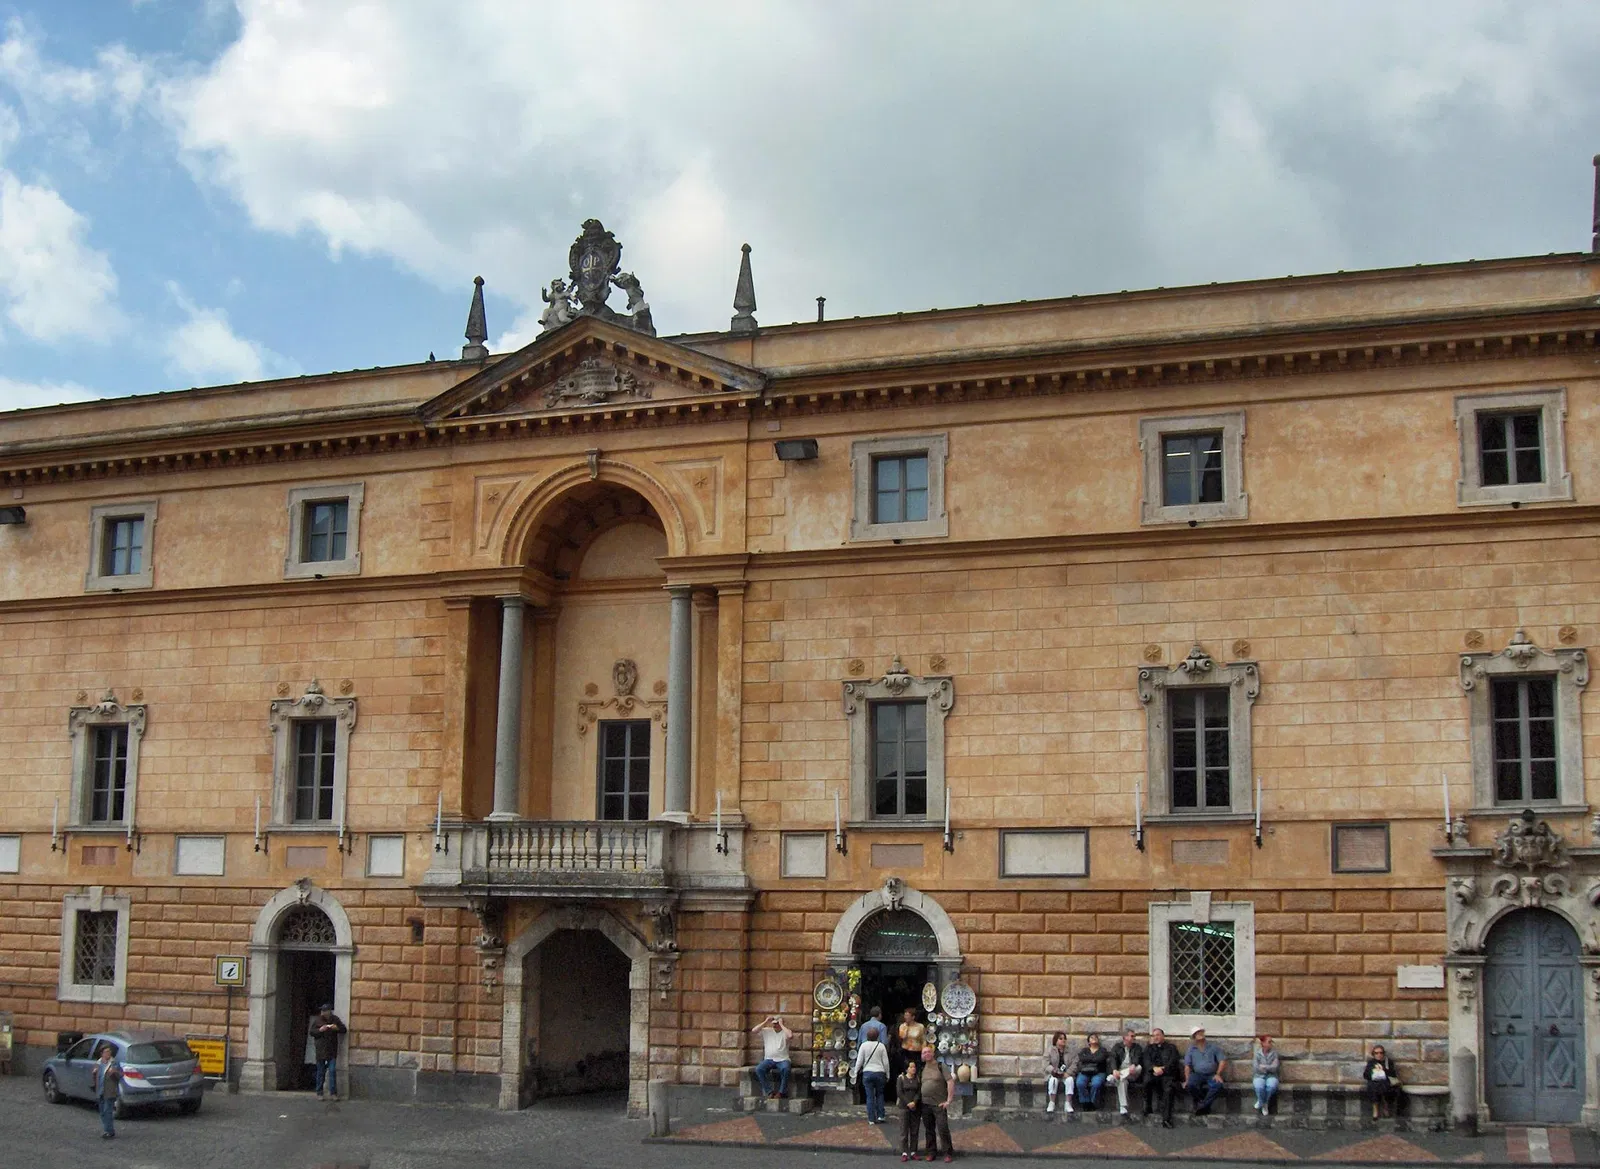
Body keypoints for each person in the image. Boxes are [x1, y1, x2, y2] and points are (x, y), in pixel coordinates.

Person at [918, 1045, 954, 1163]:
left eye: (929, 1052)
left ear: (933, 1054)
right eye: (924, 1053)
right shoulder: (922, 1068)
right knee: (929, 1130)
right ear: (922, 1056)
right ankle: (931, 1152)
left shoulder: (940, 1066)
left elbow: (950, 1081)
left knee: (943, 1128)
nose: (926, 1054)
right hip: (925, 1104)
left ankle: (948, 1153)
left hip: (939, 1104)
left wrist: (948, 1100)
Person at [852, 1019, 892, 1124]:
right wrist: (888, 1074)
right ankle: (881, 1115)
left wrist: (855, 1072)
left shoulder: (863, 1046)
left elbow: (859, 1061)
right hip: (880, 1072)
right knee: (880, 1094)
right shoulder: (881, 1046)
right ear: (878, 1036)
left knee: (869, 1096)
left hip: (867, 1073)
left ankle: (871, 1119)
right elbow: (886, 1062)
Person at [1142, 1027, 1181, 1127]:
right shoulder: (1149, 1048)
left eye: (1158, 1035)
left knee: (1168, 1090)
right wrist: (1153, 1068)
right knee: (1146, 1082)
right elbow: (1146, 1061)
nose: (1156, 1037)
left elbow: (1173, 1062)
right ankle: (1148, 1107)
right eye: (1154, 1035)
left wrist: (1163, 1069)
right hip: (1154, 1074)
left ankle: (1166, 1119)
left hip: (1167, 1075)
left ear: (1163, 1036)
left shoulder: (1171, 1048)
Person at [1183, 1027, 1227, 1116]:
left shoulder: (1213, 1047)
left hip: (1211, 1074)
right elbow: (1187, 1065)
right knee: (1190, 1085)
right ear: (1194, 1037)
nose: (1200, 1034)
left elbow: (1222, 1061)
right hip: (1197, 1074)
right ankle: (1204, 1104)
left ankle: (1202, 1105)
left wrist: (1218, 1074)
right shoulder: (1191, 1049)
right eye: (1197, 1033)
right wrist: (1187, 1079)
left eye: (1201, 1032)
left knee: (1217, 1085)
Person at [310, 1003, 347, 1101]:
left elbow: (344, 1030)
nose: (322, 1012)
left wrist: (337, 1028)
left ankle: (333, 1093)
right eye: (322, 1010)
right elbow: (312, 1032)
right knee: (320, 1072)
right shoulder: (317, 1020)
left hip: (331, 1050)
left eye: (324, 1010)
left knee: (332, 1071)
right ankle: (319, 1092)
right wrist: (320, 1030)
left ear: (329, 1011)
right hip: (320, 1050)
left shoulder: (335, 1019)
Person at [752, 1015, 793, 1099]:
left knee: (786, 1068)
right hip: (769, 1059)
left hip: (782, 1059)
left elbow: (790, 1036)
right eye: (774, 1023)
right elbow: (754, 1030)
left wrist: (781, 1025)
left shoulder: (785, 1032)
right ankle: (769, 1091)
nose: (775, 1025)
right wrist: (766, 1021)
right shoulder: (767, 1031)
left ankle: (781, 1092)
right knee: (759, 1069)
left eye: (777, 1023)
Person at [1107, 1027, 1145, 1118]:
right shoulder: (1117, 1047)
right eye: (1131, 1036)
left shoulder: (1137, 1047)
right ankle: (1123, 1107)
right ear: (1125, 1037)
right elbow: (1113, 1058)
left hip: (1132, 1072)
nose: (1133, 1038)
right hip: (1121, 1071)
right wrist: (1114, 1070)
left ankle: (1114, 1078)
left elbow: (1138, 1058)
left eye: (1134, 1036)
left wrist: (1134, 1064)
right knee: (1122, 1081)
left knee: (1139, 1068)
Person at [92, 1042, 122, 1140]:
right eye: (106, 1052)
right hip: (100, 1090)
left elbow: (120, 1075)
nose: (108, 1054)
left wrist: (114, 1072)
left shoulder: (114, 1063)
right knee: (102, 1112)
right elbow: (95, 1077)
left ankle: (108, 1131)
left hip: (110, 1091)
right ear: (102, 1053)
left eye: (109, 1052)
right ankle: (109, 1129)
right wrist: (94, 1073)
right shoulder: (98, 1063)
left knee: (107, 1110)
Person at [1362, 1044, 1401, 1119]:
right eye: (1376, 1053)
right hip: (1374, 1082)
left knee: (1384, 1086)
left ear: (1383, 1053)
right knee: (1373, 1086)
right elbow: (1366, 1075)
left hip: (1386, 1082)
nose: (1379, 1055)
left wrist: (1384, 1070)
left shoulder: (1388, 1062)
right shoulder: (1371, 1063)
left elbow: (1393, 1074)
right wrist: (1374, 1073)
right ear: (1373, 1054)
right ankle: (1375, 1109)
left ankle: (1385, 1107)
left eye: (1381, 1053)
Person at [896, 1056, 923, 1162]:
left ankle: (913, 1151)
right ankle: (904, 1152)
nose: (913, 1069)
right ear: (906, 1068)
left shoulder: (917, 1078)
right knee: (903, 1130)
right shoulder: (901, 1078)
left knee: (914, 1130)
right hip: (904, 1107)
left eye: (914, 1067)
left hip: (915, 1107)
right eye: (911, 1067)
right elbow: (899, 1092)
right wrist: (908, 1102)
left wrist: (914, 1102)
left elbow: (919, 1091)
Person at [1074, 1032, 1111, 1110]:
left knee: (1096, 1084)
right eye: (1091, 1037)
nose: (1094, 1038)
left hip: (1099, 1072)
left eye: (1095, 1037)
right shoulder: (1084, 1050)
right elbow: (1082, 1058)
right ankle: (1085, 1102)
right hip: (1085, 1071)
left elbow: (1101, 1058)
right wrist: (1094, 1059)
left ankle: (1093, 1102)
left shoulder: (1102, 1050)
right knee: (1080, 1082)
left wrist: (1089, 1059)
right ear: (1088, 1041)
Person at [1045, 1030, 1077, 1114]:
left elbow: (1075, 1063)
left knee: (1070, 1080)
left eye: (1064, 1039)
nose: (1063, 1040)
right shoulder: (1050, 1050)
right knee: (1053, 1081)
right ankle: (1051, 1103)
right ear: (1056, 1040)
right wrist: (1053, 1070)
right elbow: (1045, 1063)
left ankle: (1068, 1103)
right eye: (1060, 1038)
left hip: (1066, 1074)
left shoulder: (1070, 1051)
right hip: (1054, 1073)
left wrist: (1068, 1073)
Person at [1252, 1035, 1280, 1115]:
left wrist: (1265, 1067)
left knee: (1272, 1085)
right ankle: (1263, 1102)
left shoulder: (1274, 1053)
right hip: (1259, 1075)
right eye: (1269, 1042)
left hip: (1271, 1075)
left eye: (1271, 1042)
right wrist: (1269, 1067)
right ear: (1263, 1043)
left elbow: (1275, 1067)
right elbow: (1256, 1067)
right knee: (1259, 1086)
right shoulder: (1257, 1053)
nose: (1271, 1043)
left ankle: (1263, 1103)